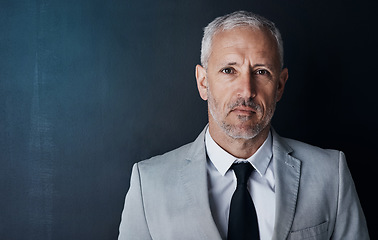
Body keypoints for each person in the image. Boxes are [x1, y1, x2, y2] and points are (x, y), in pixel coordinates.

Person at [118, 11, 369, 240]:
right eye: (229, 70)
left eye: (261, 72)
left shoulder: (330, 175)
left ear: (280, 85)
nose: (247, 91)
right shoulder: (149, 184)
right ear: (203, 83)